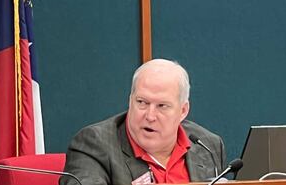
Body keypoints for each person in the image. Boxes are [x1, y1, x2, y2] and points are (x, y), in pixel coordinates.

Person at [60, 59, 225, 185]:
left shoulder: (208, 146)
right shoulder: (94, 144)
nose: (150, 116)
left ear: (183, 111)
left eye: (162, 106)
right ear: (130, 100)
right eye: (142, 102)